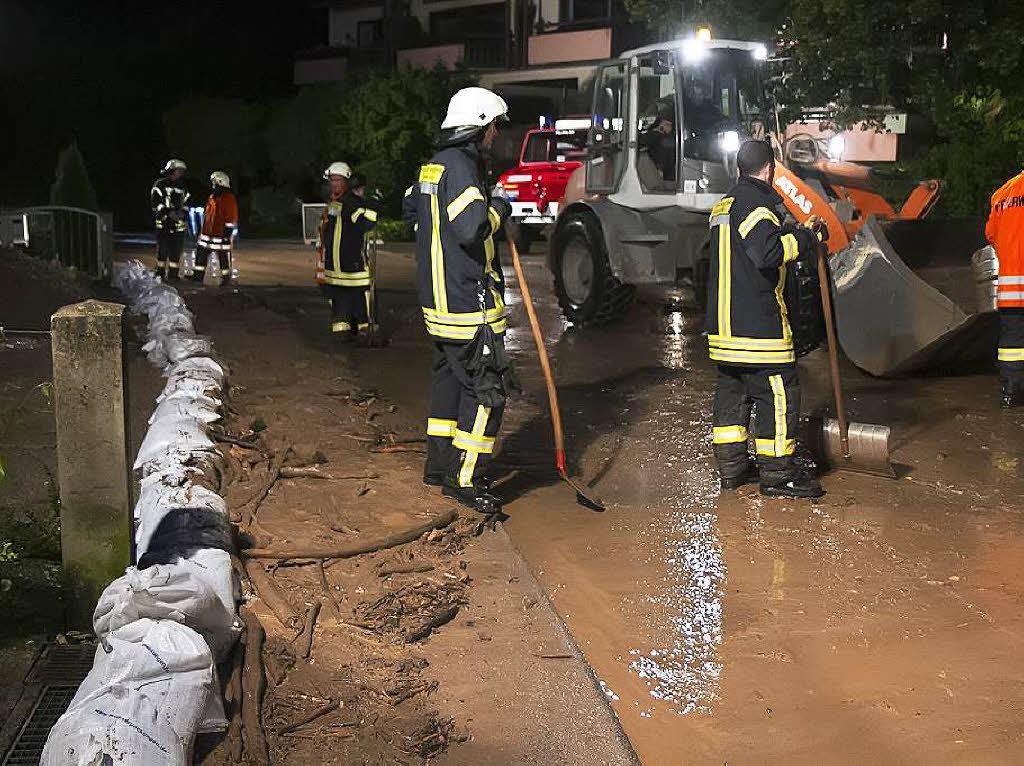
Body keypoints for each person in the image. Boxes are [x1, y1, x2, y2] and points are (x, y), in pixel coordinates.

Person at [403, 87, 513, 515]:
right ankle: (462, 479)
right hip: (469, 304)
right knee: (488, 390)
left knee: (449, 385)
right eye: (493, 125)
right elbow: (471, 229)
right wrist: (500, 209)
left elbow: (413, 214)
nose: (497, 132)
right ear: (478, 125)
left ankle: (438, 466)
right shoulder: (462, 168)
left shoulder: (432, 168)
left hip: (437, 301)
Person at [706, 139, 826, 498]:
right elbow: (766, 251)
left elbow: (744, 252)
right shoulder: (757, 203)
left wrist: (797, 231)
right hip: (758, 328)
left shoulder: (723, 205)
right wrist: (806, 240)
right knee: (778, 395)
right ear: (770, 169)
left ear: (738, 169)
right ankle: (777, 475)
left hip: (724, 329)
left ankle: (732, 471)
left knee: (733, 397)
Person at [317, 163, 378, 339]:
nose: (334, 184)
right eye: (332, 180)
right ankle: (344, 330)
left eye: (338, 180)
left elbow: (367, 223)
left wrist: (370, 205)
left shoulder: (350, 203)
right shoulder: (334, 204)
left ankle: (362, 328)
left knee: (357, 295)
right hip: (336, 266)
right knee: (339, 297)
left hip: (351, 264)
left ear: (347, 182)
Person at [985, 169, 1024, 407]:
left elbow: (991, 233)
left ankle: (1011, 390)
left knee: (1013, 341)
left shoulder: (1002, 194)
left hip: (1011, 286)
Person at [192, 171, 238, 287]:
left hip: (220, 235)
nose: (212, 185)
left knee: (223, 258)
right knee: (201, 254)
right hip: (207, 234)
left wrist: (227, 233)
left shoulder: (228, 198)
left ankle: (225, 279)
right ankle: (198, 276)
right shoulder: (212, 197)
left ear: (220, 183)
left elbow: (231, 216)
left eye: (214, 183)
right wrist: (202, 231)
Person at [151, 159, 190, 279]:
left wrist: (182, 213)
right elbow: (155, 203)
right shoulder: (160, 184)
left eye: (182, 171)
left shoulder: (183, 186)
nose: (180, 173)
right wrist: (168, 213)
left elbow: (187, 202)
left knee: (176, 251)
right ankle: (160, 273)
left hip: (179, 225)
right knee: (162, 250)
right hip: (164, 223)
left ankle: (173, 274)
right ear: (172, 170)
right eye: (179, 170)